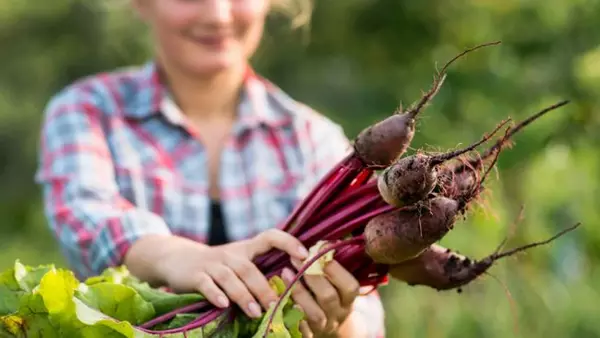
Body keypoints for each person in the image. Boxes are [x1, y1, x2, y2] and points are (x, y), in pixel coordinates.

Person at [35, 0, 385, 337]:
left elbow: (366, 314)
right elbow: (85, 213)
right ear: (142, 3)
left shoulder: (313, 139)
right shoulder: (86, 111)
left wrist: (339, 325)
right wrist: (176, 256)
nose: (218, 13)